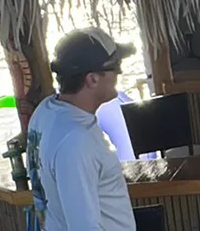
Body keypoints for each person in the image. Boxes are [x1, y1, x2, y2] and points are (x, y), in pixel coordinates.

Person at [26, 27, 138, 231]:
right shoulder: (77, 140)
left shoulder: (45, 112)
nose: (120, 73)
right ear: (92, 78)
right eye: (116, 66)